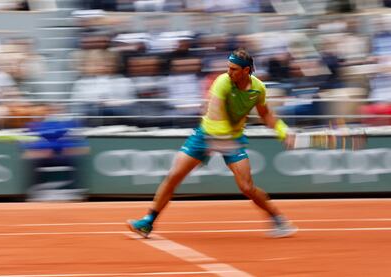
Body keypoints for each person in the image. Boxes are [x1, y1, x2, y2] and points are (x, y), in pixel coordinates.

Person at [127, 48, 298, 238]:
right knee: (174, 175)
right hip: (206, 135)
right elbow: (215, 114)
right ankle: (148, 222)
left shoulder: (258, 88)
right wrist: (216, 142)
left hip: (232, 138)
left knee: (247, 187)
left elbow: (265, 114)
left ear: (246, 70)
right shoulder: (222, 82)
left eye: (233, 69)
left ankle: (278, 219)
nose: (229, 72)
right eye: (228, 68)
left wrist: (283, 130)